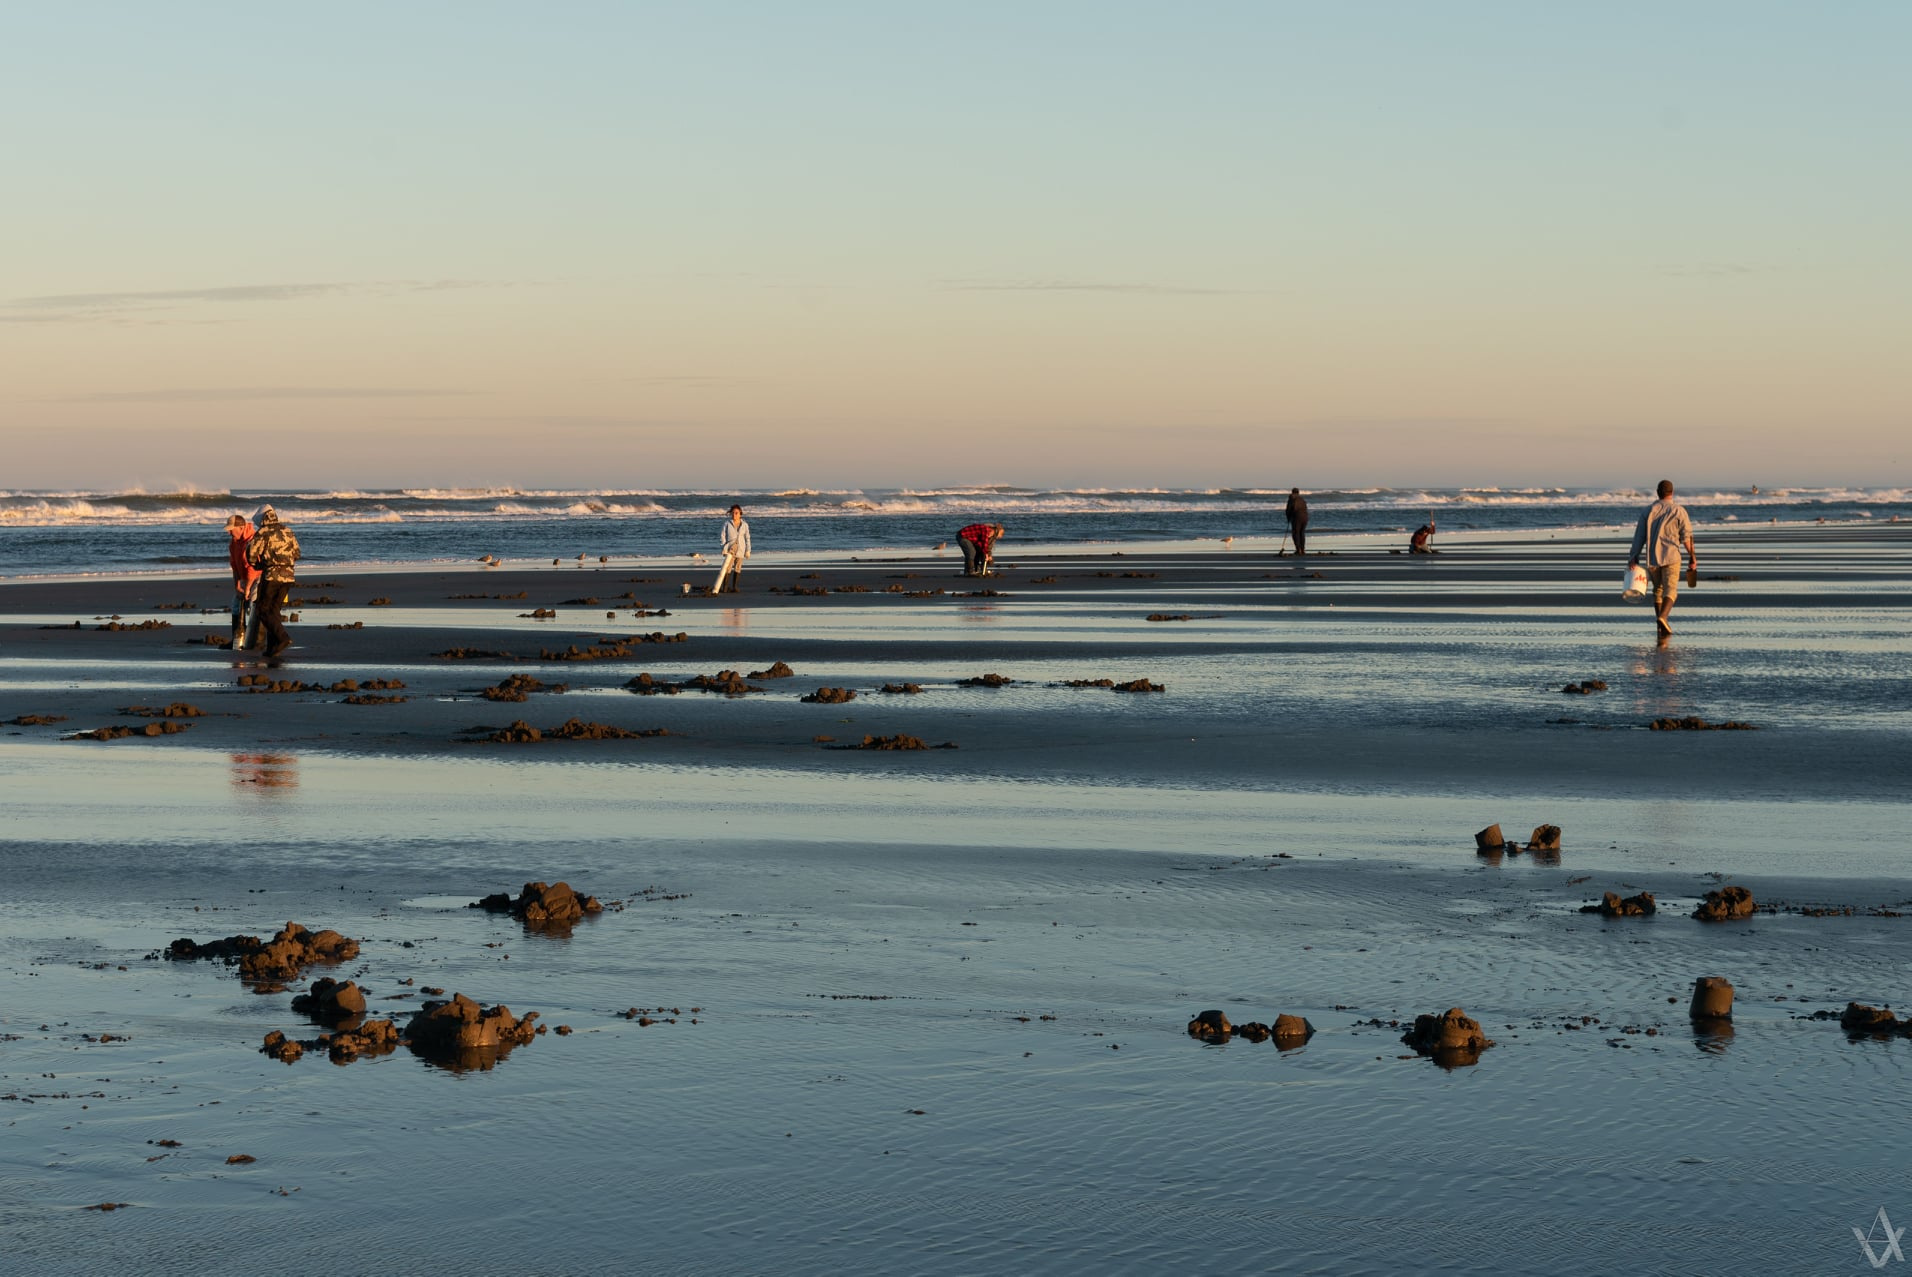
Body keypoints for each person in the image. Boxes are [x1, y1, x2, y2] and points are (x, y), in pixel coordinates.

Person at [1628, 479, 1695, 636]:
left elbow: (1639, 536)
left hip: (1653, 558)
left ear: (1658, 493)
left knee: (1658, 590)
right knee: (1671, 590)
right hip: (1672, 556)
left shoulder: (1648, 511)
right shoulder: (1679, 511)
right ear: (1672, 493)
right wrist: (1692, 557)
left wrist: (1633, 556)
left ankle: (1660, 625)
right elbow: (1686, 537)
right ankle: (1663, 617)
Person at [246, 505, 301, 660]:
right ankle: (272, 648)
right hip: (289, 576)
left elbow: (250, 553)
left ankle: (283, 637)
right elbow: (297, 553)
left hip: (271, 575)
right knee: (274, 611)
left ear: (263, 520)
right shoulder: (288, 531)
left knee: (262, 610)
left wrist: (257, 565)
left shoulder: (262, 532)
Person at [225, 514, 261, 649]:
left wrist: (247, 589)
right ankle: (237, 638)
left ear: (241, 527)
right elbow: (234, 566)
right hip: (245, 577)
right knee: (236, 604)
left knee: (253, 604)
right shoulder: (233, 543)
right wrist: (237, 586)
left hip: (258, 577)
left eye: (231, 529)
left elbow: (251, 568)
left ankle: (255, 642)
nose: (229, 532)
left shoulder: (252, 541)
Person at [715, 504, 751, 594]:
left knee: (738, 568)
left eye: (736, 513)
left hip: (741, 549)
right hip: (730, 549)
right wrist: (723, 547)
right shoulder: (727, 524)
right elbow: (722, 536)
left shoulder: (745, 525)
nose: (734, 515)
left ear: (740, 514)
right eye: (733, 513)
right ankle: (725, 588)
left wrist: (748, 550)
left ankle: (735, 587)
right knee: (727, 568)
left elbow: (747, 538)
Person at [1284, 488, 1309, 556]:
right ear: (1298, 492)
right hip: (1305, 517)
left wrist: (1288, 518)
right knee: (1302, 533)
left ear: (1292, 492)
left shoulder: (1291, 498)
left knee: (1295, 533)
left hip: (1297, 517)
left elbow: (1288, 510)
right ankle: (1302, 549)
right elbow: (1305, 508)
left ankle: (1298, 550)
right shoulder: (1302, 499)